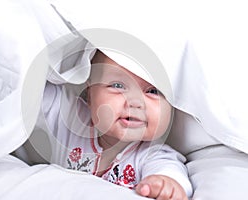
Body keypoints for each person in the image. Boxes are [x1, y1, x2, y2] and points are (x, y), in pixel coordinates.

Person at [41, 49, 192, 199]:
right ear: (90, 94)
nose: (135, 102)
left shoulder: (154, 156)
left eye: (152, 91)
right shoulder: (72, 118)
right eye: (118, 86)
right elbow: (35, 90)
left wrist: (165, 185)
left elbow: (171, 174)